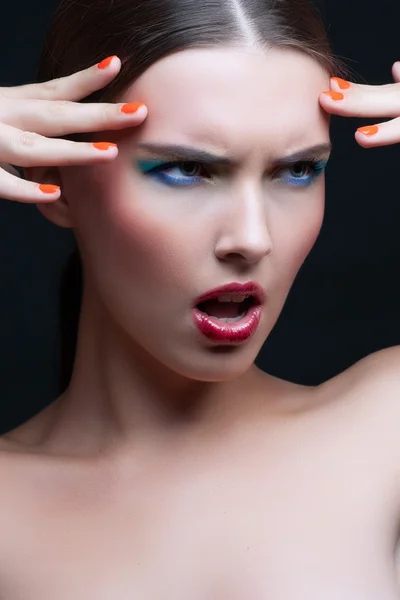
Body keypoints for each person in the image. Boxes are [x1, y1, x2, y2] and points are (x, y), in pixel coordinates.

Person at [0, 0, 400, 597]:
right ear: (50, 176)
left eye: (296, 171)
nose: (251, 237)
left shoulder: (384, 429)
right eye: (187, 168)